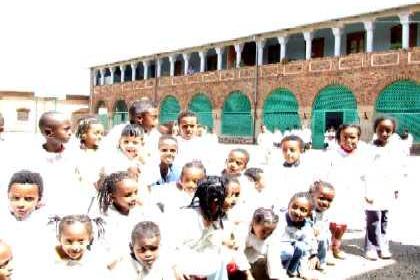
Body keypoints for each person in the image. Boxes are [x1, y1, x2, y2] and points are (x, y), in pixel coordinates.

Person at [96, 171, 162, 265]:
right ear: (112, 197)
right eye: (128, 195)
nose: (134, 197)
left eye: (135, 192)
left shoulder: (142, 211)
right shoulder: (105, 218)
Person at [323, 124, 368, 260]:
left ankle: (336, 246)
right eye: (345, 137)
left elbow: (366, 175)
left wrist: (367, 192)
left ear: (358, 138)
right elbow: (322, 173)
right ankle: (327, 249)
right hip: (334, 193)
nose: (349, 140)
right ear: (338, 139)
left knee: (343, 224)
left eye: (352, 137)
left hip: (352, 194)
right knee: (331, 222)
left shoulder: (363, 155)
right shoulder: (331, 154)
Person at [171, 176, 228, 280]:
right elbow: (170, 247)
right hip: (181, 263)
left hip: (204, 263)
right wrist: (175, 267)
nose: (216, 203)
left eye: (219, 199)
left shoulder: (218, 218)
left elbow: (214, 247)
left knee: (221, 261)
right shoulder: (186, 217)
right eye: (213, 199)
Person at [363, 117, 402, 260]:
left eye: (388, 131)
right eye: (381, 130)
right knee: (373, 218)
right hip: (373, 189)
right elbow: (364, 171)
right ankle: (371, 247)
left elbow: (398, 169)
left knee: (385, 218)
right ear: (375, 130)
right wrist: (367, 191)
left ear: (393, 132)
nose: (384, 133)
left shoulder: (395, 149)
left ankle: (383, 245)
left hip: (387, 189)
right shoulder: (368, 149)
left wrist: (396, 188)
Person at [45, 214, 109, 279]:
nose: (75, 247)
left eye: (81, 241)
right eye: (69, 241)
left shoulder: (93, 260)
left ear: (90, 239)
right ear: (59, 238)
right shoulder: (52, 257)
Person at [273, 192, 318, 279]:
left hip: (291, 251)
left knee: (303, 247)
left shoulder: (306, 225)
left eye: (303, 210)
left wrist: (314, 255)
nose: (297, 212)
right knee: (288, 250)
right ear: (288, 206)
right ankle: (278, 272)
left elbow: (310, 241)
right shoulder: (280, 220)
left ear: (308, 214)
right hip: (278, 251)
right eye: (294, 207)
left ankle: (296, 270)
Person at [266, 135, 320, 209]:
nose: (288, 153)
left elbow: (313, 193)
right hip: (280, 209)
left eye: (292, 150)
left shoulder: (309, 171)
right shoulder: (275, 170)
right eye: (284, 150)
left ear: (301, 150)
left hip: (301, 210)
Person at [110, 221, 175, 279]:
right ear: (131, 248)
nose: (148, 254)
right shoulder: (125, 268)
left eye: (153, 249)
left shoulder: (164, 264)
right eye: (142, 250)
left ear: (159, 246)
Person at [240, 208, 280, 280]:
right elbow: (237, 251)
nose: (266, 235)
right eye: (263, 231)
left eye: (270, 232)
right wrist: (248, 274)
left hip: (253, 256)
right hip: (235, 255)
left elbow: (273, 256)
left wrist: (275, 277)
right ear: (254, 223)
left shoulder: (272, 236)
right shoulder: (242, 228)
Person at [74, 116, 105, 194]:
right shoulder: (78, 154)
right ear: (83, 134)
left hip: (99, 192)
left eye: (102, 134)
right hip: (83, 192)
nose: (100, 136)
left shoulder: (102, 152)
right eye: (96, 133)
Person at [309, 181, 336, 270]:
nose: (325, 202)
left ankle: (321, 260)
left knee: (325, 237)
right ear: (312, 196)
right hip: (309, 239)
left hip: (320, 240)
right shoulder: (309, 212)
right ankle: (311, 258)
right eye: (321, 198)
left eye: (329, 200)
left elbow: (326, 230)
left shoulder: (325, 214)